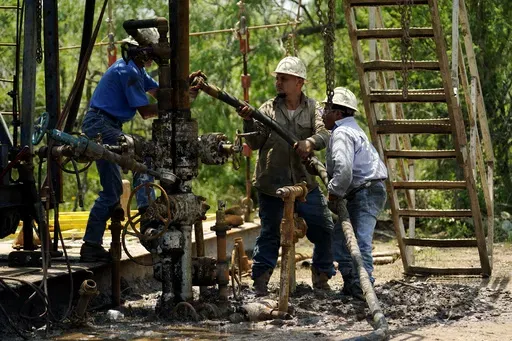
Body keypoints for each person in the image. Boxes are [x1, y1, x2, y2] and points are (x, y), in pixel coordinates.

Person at [80, 28, 201, 262]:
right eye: (152, 54)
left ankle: (90, 244)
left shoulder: (136, 70)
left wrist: (184, 87)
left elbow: (160, 93)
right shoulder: (128, 72)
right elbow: (146, 112)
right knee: (144, 155)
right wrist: (177, 103)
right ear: (145, 52)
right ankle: (147, 213)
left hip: (106, 125)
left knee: (113, 191)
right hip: (101, 125)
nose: (153, 59)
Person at [238, 56, 335, 295]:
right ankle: (260, 282)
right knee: (270, 233)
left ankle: (321, 278)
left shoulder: (314, 109)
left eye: (284, 79)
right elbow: (255, 141)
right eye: (278, 79)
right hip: (272, 187)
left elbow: (325, 134)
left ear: (299, 82)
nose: (278, 83)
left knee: (324, 229)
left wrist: (310, 142)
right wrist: (248, 121)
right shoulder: (266, 110)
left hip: (305, 185)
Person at [322, 87, 388, 299]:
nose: (322, 114)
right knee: (341, 240)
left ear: (338, 114)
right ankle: (352, 285)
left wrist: (333, 192)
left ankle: (363, 287)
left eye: (326, 109)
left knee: (359, 242)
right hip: (363, 191)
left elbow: (344, 170)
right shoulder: (354, 130)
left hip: (365, 191)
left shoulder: (342, 133)